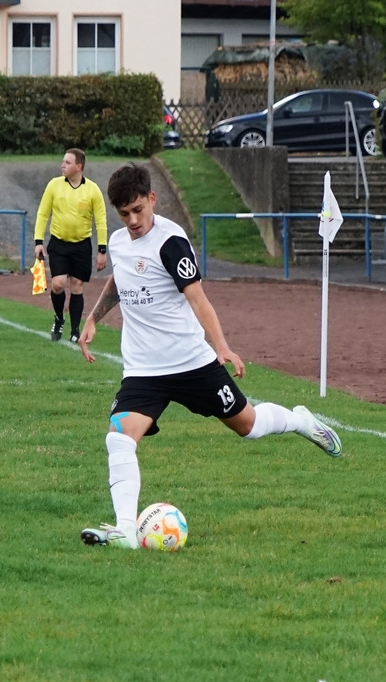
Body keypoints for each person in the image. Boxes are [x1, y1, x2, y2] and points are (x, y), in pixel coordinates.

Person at [77, 162, 342, 549]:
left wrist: (221, 346)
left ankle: (300, 421)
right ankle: (126, 531)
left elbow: (198, 300)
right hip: (143, 370)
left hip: (192, 363)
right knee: (119, 437)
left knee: (248, 425)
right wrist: (93, 318)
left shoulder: (171, 242)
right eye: (124, 214)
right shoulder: (118, 243)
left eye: (138, 210)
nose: (133, 221)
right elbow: (121, 279)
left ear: (152, 199)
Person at [34, 148, 108, 343]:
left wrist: (102, 250)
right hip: (59, 243)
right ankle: (59, 318)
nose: (62, 165)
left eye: (67, 162)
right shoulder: (54, 185)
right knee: (58, 284)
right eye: (63, 161)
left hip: (82, 245)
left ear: (79, 166)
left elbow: (101, 221)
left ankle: (75, 331)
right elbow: (43, 213)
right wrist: (38, 242)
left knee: (77, 286)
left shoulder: (92, 190)